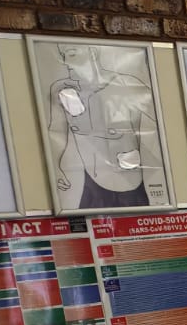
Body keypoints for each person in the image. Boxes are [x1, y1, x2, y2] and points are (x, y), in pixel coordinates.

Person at [46, 44, 160, 209]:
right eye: (63, 55)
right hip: (91, 186)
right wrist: (57, 169)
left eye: (72, 54)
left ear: (92, 53)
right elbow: (56, 132)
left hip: (129, 182)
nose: (66, 62)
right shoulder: (62, 90)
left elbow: (164, 123)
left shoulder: (127, 85)